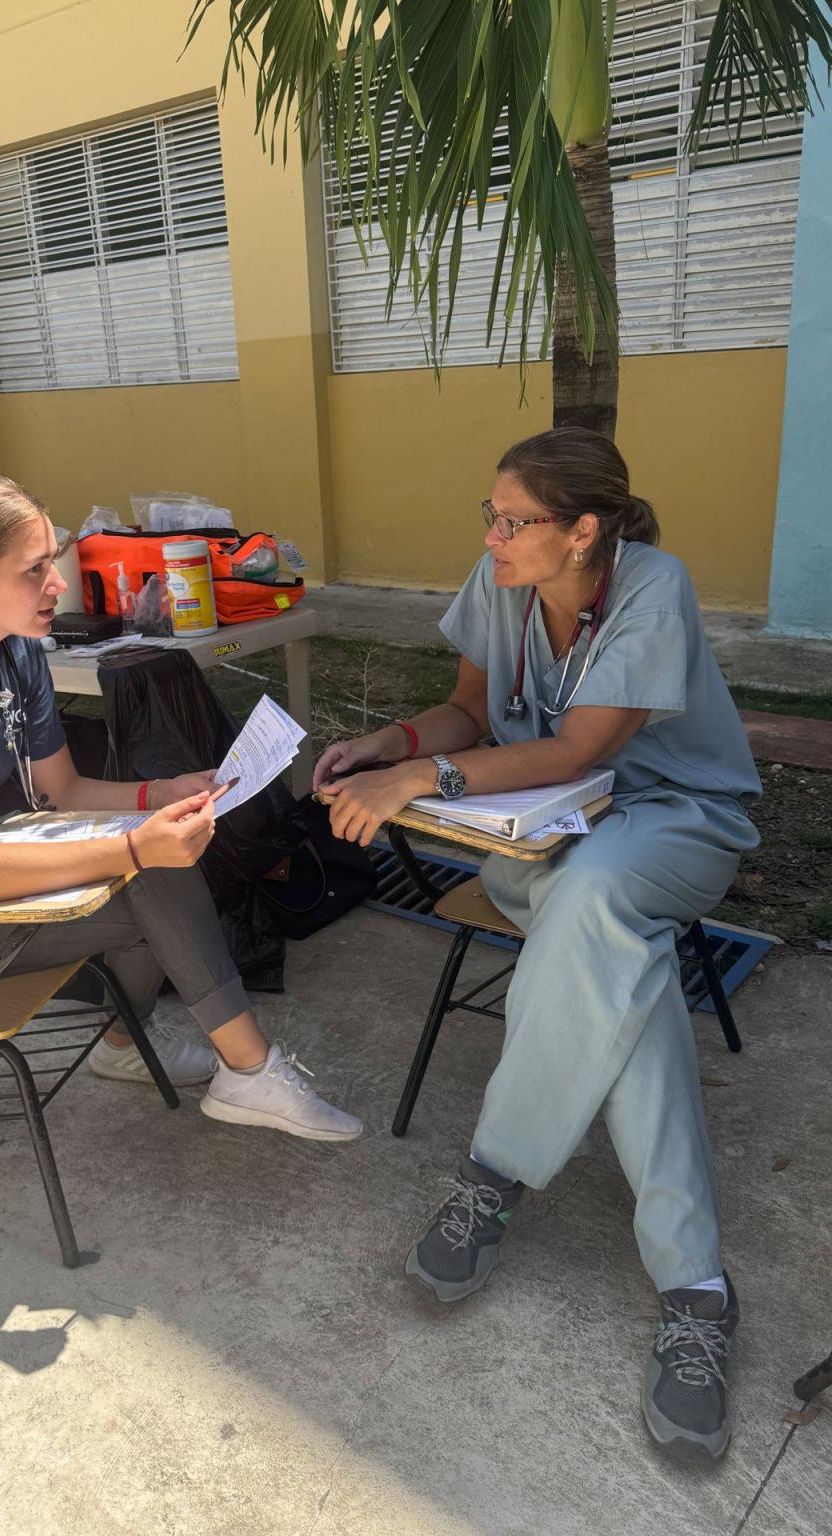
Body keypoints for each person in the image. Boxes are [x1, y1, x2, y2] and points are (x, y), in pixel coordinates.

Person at [314, 428, 760, 1460]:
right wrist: (394, 743)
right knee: (612, 954)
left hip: (674, 820)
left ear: (583, 530)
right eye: (489, 514)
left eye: (511, 521)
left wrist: (426, 783)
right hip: (538, 833)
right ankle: (694, 1292)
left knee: (598, 895)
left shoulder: (653, 586)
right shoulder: (501, 581)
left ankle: (492, 1175)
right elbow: (470, 709)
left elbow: (579, 749)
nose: (491, 535)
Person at [0, 469, 361, 1143]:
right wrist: (134, 848)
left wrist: (158, 795)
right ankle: (243, 1069)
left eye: (52, 561)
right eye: (35, 569)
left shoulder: (13, 652)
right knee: (147, 870)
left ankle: (133, 1047)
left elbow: (59, 791)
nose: (58, 586)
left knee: (151, 852)